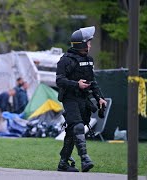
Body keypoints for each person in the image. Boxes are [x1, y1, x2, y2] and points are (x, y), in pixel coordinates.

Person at [56, 26, 107, 172]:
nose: (90, 45)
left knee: (73, 131)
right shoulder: (65, 60)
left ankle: (63, 163)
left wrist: (100, 98)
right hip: (70, 98)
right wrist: (76, 84)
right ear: (82, 44)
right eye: (89, 42)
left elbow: (93, 82)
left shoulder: (89, 60)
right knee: (78, 126)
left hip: (83, 100)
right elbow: (60, 81)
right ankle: (85, 159)